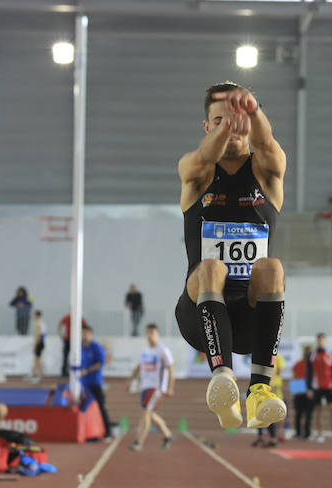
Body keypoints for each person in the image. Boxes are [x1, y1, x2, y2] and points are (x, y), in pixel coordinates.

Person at [174, 81, 287, 432]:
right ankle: (222, 376)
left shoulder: (267, 172)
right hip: (200, 315)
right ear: (208, 128)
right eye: (220, 121)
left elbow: (267, 142)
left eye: (239, 121)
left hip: (252, 318)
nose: (232, 127)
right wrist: (227, 129)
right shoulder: (197, 172)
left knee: (272, 267)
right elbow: (206, 156)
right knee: (212, 266)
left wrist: (252, 110)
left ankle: (258, 390)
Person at [128, 324, 175, 451]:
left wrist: (170, 387)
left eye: (152, 332)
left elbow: (171, 369)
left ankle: (139, 442)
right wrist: (131, 380)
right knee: (150, 414)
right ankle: (168, 435)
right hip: (145, 386)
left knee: (145, 413)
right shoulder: (144, 351)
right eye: (148, 332)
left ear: (157, 335)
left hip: (156, 387)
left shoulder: (163, 350)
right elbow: (138, 367)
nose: (150, 335)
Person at [306, 333, 332, 443]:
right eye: (319, 340)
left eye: (322, 340)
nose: (321, 342)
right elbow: (309, 373)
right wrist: (309, 388)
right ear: (317, 341)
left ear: (325, 341)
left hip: (329, 386)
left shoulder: (331, 354)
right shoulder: (312, 355)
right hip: (317, 387)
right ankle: (320, 434)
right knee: (318, 411)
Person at [80, 325, 111, 441]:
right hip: (83, 384)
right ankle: (88, 432)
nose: (84, 335)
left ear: (91, 334)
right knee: (84, 408)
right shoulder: (80, 347)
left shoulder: (96, 347)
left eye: (86, 333)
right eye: (82, 333)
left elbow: (101, 363)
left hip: (95, 383)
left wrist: (87, 370)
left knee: (100, 407)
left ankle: (107, 432)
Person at [290, 345, 313, 440]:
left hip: (307, 390)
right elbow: (294, 377)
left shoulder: (312, 365)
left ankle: (306, 433)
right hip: (301, 390)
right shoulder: (299, 364)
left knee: (306, 414)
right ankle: (300, 432)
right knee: (300, 413)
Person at [58, 313, 89, 378]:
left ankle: (79, 370)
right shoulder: (67, 317)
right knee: (66, 356)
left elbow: (86, 327)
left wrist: (83, 337)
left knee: (77, 356)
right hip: (68, 339)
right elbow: (60, 325)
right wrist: (61, 335)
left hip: (76, 340)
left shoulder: (79, 318)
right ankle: (64, 372)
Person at [30, 310, 46, 382]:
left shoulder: (38, 323)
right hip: (41, 342)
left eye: (33, 314)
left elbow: (38, 335)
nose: (32, 316)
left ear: (36, 315)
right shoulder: (41, 322)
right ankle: (34, 374)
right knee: (36, 360)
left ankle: (38, 375)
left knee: (37, 360)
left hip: (39, 343)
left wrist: (35, 345)